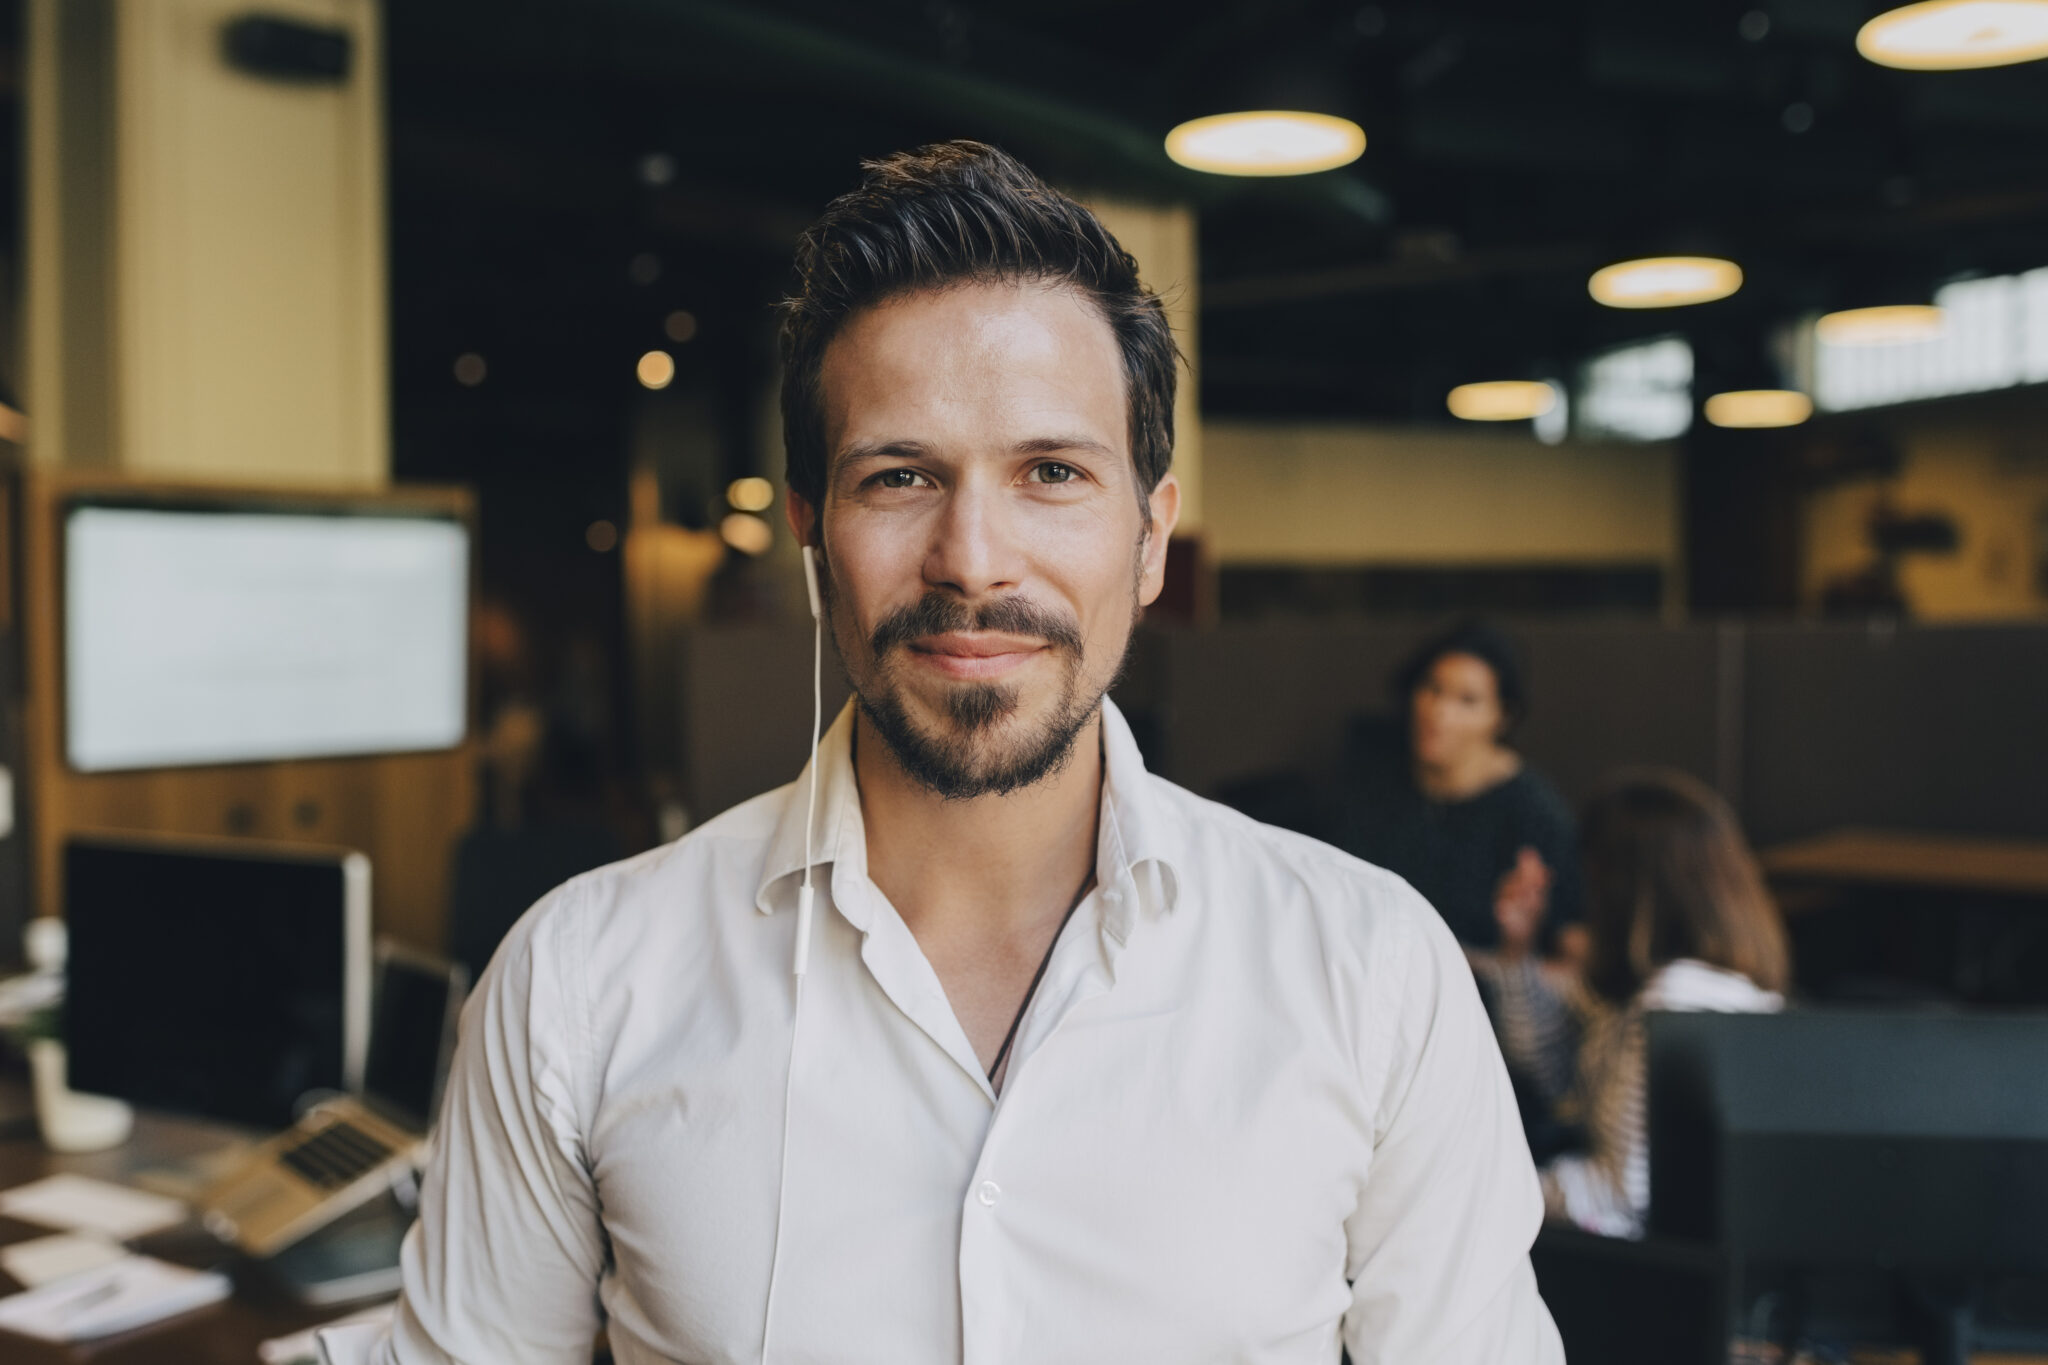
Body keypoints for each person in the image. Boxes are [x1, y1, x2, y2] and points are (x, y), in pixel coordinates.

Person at [332, 142, 1559, 1364]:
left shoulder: (1371, 971)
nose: (972, 558)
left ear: (1149, 540)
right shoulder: (575, 987)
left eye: (1051, 474)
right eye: (901, 476)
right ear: (811, 536)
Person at [1477, 768, 1790, 1240]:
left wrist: (1481, 1188)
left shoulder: (1682, 1002)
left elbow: (1622, 1194)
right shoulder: (1660, 983)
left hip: (1649, 1270)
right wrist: (1518, 955)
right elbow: (1558, 1086)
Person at [1339, 620, 1587, 961]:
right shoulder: (1374, 783)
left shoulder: (1534, 815)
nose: (1439, 712)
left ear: (1502, 718)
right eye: (1432, 688)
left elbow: (1573, 955)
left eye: (1467, 700)